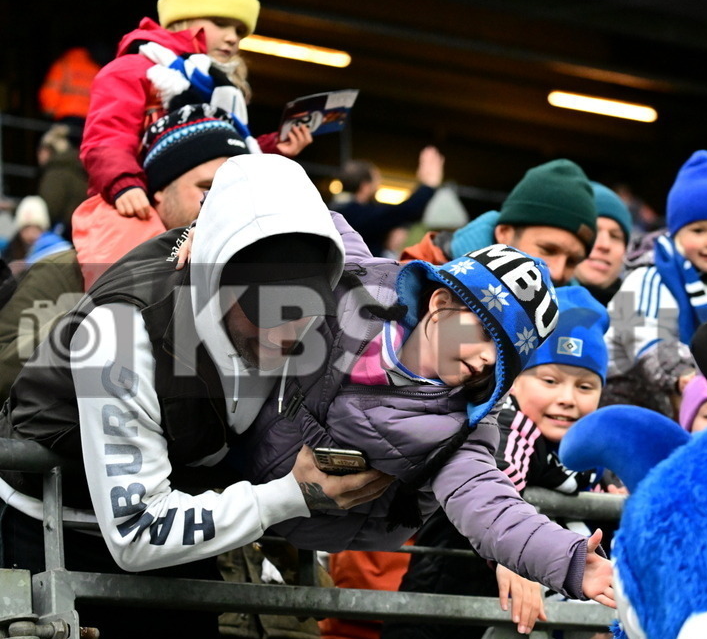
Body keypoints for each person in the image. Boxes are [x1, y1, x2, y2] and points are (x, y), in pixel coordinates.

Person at [0, 155, 390, 639]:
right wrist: (290, 495)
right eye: (262, 310)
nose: (284, 335)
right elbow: (137, 530)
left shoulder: (328, 292)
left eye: (303, 309)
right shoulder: (121, 330)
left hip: (186, 525)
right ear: (216, 282)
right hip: (54, 534)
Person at [240, 243, 616, 607]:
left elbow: (489, 505)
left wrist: (569, 561)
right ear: (439, 304)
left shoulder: (463, 429)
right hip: (216, 463)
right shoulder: (360, 284)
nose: (488, 358)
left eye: (506, 355)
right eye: (485, 332)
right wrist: (209, 229)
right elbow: (310, 218)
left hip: (286, 525)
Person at [382, 286, 612, 639]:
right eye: (550, 381)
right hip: (442, 629)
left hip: (507, 638)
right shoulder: (509, 424)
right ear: (515, 381)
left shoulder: (591, 456)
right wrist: (514, 558)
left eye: (585, 386)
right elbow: (499, 482)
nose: (568, 398)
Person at [0, 104, 253, 404]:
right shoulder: (65, 268)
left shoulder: (244, 273)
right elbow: (5, 372)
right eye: (206, 187)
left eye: (230, 191)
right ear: (160, 190)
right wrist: (122, 302)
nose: (218, 202)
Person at [73, 0, 313, 271]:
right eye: (221, 23)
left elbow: (219, 152)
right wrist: (123, 183)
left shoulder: (224, 88)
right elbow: (106, 137)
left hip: (203, 211)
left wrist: (272, 148)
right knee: (130, 276)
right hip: (135, 203)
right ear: (182, 18)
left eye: (239, 30)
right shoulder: (132, 69)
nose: (232, 37)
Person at [606, 149, 707, 381]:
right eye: (698, 231)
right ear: (675, 234)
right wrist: (683, 378)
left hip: (686, 401)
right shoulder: (646, 276)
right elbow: (642, 336)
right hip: (627, 396)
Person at [400, 158, 597, 285]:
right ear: (504, 233)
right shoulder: (414, 279)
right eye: (547, 250)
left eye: (572, 261)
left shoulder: (581, 317)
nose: (557, 273)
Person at [331, 146, 445, 257]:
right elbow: (407, 210)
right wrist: (428, 185)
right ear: (365, 186)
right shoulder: (358, 214)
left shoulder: (335, 210)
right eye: (376, 183)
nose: (378, 187)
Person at [574, 182, 631, 306]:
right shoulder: (535, 306)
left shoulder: (638, 310)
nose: (604, 245)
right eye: (593, 232)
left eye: (615, 236)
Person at [36, 123, 88, 236]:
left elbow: (49, 209)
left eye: (41, 149)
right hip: (81, 229)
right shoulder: (77, 169)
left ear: (49, 151)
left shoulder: (55, 173)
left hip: (64, 233)